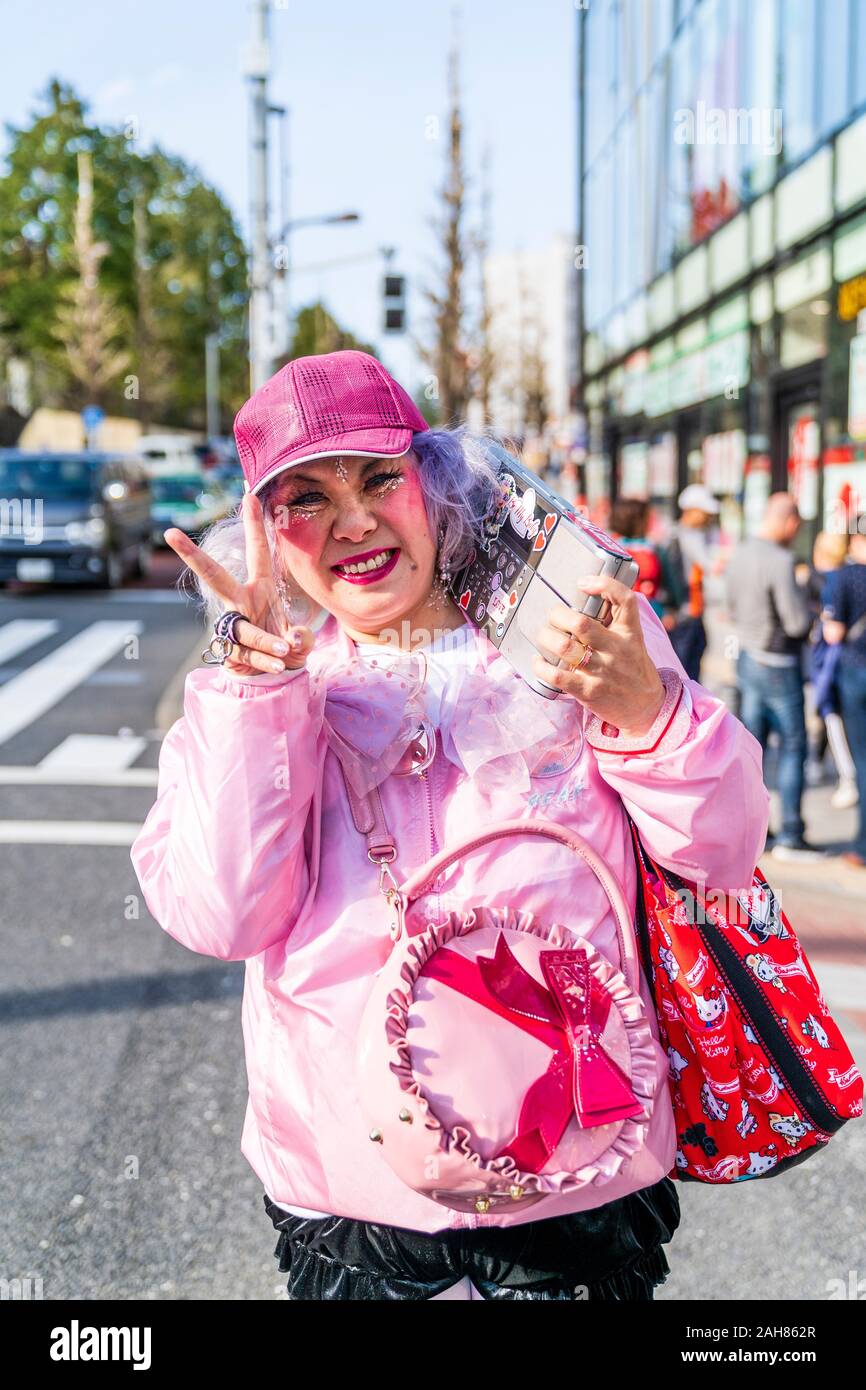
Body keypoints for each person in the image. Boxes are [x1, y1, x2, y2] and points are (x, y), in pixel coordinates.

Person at [130, 349, 767, 1301]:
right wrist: (257, 698)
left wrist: (648, 713)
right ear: (266, 531)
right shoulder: (249, 694)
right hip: (356, 1202)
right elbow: (224, 917)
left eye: (379, 477)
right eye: (303, 498)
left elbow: (722, 851)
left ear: (434, 483)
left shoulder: (572, 634)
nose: (352, 521)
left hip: (577, 1175)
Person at [726, 493, 818, 861]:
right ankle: (792, 834)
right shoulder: (780, 560)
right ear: (789, 521)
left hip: (748, 656)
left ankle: (755, 829)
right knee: (794, 746)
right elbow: (795, 621)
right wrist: (812, 610)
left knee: (754, 749)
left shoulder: (742, 551)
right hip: (778, 663)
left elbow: (731, 605)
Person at [821, 520, 866, 868]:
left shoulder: (843, 577)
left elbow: (834, 633)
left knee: (862, 758)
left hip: (855, 672)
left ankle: (863, 846)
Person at [804, 531, 857, 809]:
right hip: (845, 663)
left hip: (838, 662)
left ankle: (848, 777)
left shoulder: (836, 579)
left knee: (831, 713)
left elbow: (833, 631)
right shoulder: (847, 575)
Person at [665, 484, 720, 680]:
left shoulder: (678, 535)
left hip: (690, 613)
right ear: (692, 511)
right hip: (685, 615)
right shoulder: (684, 537)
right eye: (704, 513)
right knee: (685, 673)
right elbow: (709, 566)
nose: (707, 518)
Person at [607, 498, 683, 627]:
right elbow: (670, 585)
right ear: (639, 520)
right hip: (646, 614)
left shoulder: (609, 547)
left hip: (621, 615)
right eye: (648, 517)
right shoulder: (653, 550)